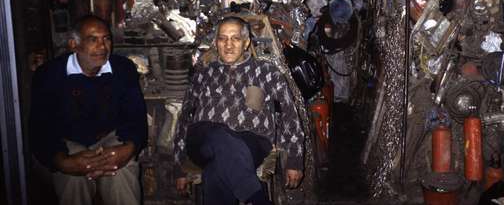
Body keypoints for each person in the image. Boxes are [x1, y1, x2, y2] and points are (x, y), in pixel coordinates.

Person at [173, 16, 305, 205]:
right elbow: (184, 118)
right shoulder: (203, 73)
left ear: (246, 43)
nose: (228, 45)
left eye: (235, 38)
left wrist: (294, 159)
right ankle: (258, 200)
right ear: (216, 43)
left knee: (216, 171)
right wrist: (179, 165)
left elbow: (289, 114)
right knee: (217, 133)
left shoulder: (267, 73)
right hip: (202, 141)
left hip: (251, 143)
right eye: (222, 38)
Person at [29, 15, 148, 205]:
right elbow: (41, 128)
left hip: (109, 137)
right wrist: (62, 161)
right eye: (93, 40)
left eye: (106, 38)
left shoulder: (123, 69)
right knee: (73, 179)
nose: (102, 47)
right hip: (68, 141)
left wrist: (129, 147)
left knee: (122, 173)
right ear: (73, 45)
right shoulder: (49, 75)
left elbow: (135, 115)